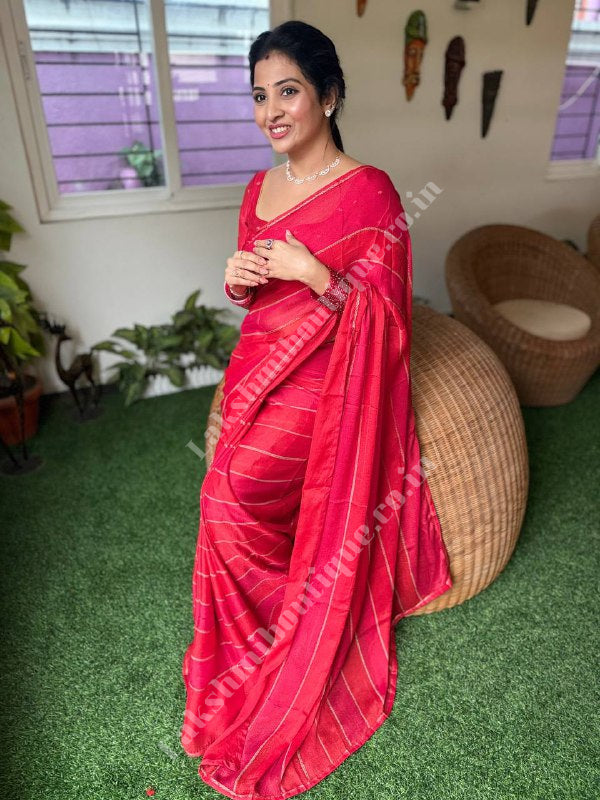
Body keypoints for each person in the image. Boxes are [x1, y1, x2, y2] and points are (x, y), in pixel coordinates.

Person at [181, 19, 453, 800]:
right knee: (219, 497)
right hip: (261, 365)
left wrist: (316, 274)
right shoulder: (255, 190)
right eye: (259, 95)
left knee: (227, 500)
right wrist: (240, 280)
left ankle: (298, 636)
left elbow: (388, 316)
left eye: (288, 91)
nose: (271, 110)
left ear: (329, 96)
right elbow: (254, 296)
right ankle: (272, 631)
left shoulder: (371, 191)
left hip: (329, 377)